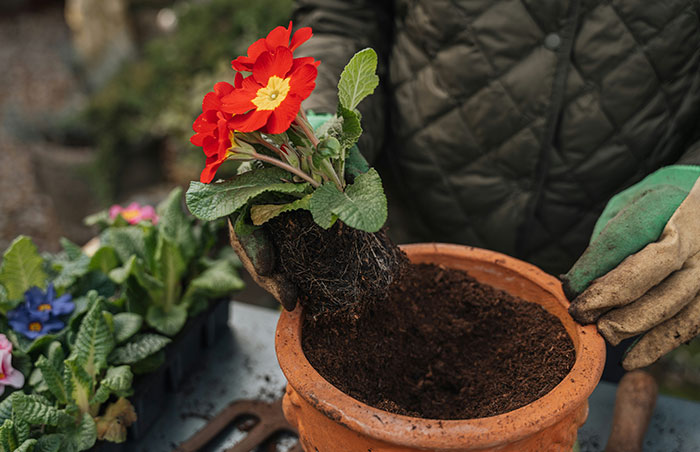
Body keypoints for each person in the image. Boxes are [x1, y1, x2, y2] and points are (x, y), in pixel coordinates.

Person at [286, 0, 700, 380]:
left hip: (616, 262)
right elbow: (339, 15)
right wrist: (321, 123)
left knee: (586, 399)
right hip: (402, 237)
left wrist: (695, 177)